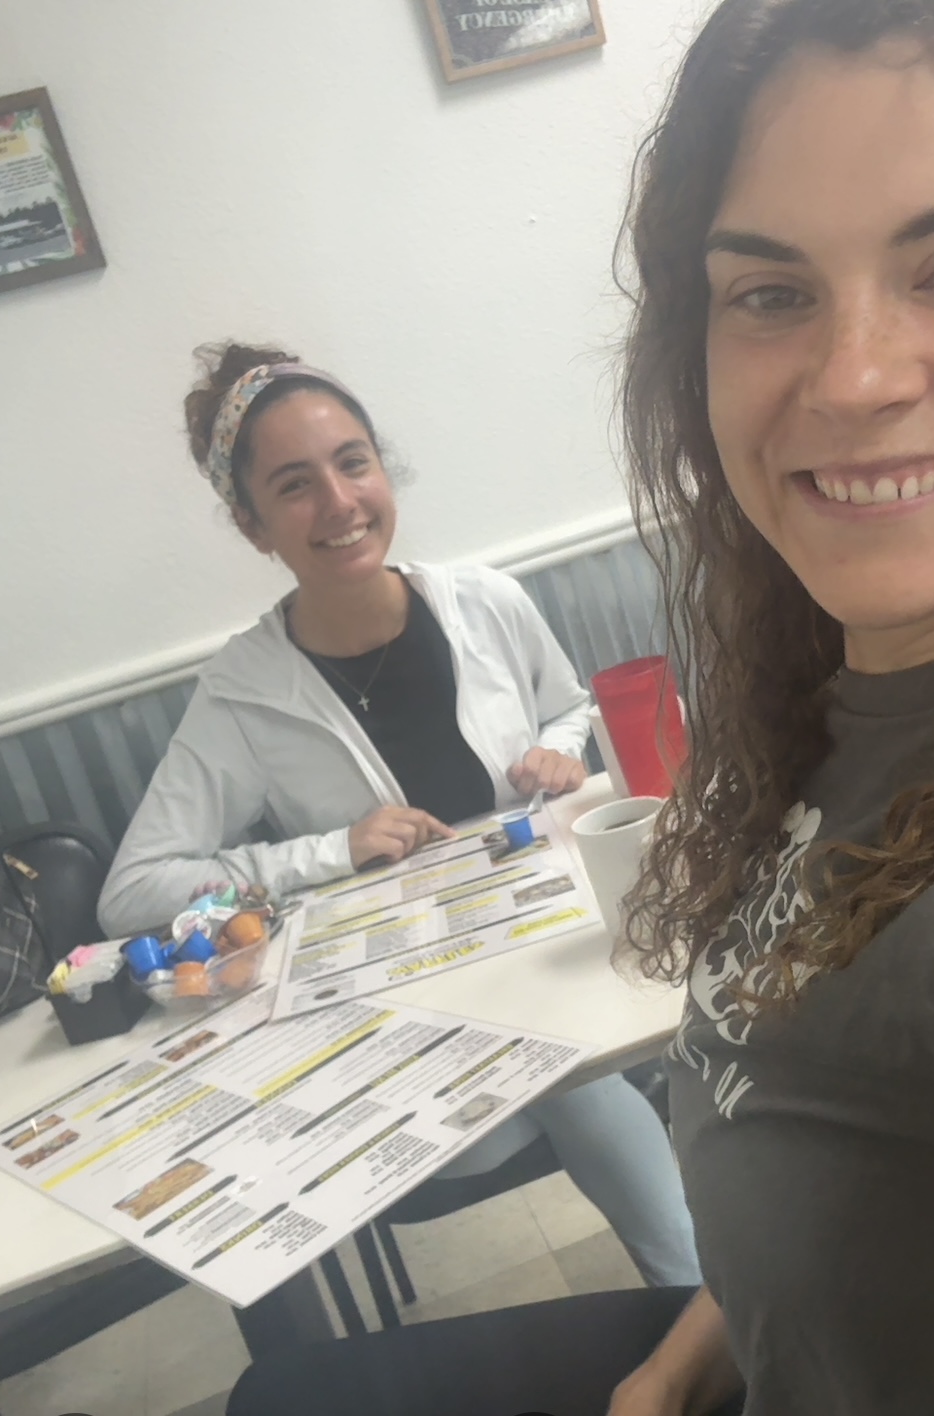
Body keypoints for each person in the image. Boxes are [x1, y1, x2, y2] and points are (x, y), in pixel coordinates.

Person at [222, 0, 934, 1413]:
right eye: (768, 293)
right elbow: (828, 1141)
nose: (855, 377)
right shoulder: (840, 698)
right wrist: (668, 1373)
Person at [97, 342, 701, 1293]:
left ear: (383, 469)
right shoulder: (244, 692)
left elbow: (568, 708)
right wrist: (328, 850)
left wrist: (559, 750)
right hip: (417, 1024)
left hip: (559, 954)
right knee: (571, 1073)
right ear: (253, 525)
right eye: (294, 486)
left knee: (585, 1059)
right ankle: (708, 1305)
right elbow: (132, 893)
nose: (339, 503)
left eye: (353, 463)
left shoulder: (486, 602)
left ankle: (705, 1305)